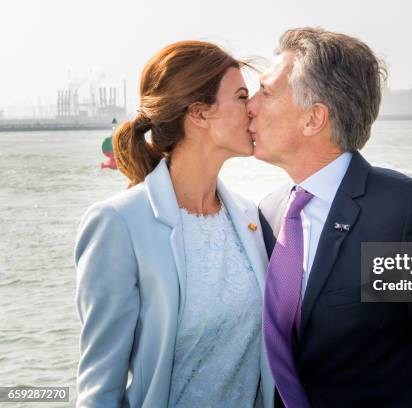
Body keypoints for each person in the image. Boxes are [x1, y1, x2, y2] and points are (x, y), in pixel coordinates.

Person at [248, 27, 412, 407]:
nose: (249, 105)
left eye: (265, 92)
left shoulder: (408, 215)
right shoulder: (266, 214)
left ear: (313, 118)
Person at [74, 41, 273, 408]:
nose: (254, 107)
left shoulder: (251, 218)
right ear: (198, 113)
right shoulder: (118, 224)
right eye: (242, 96)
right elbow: (99, 390)